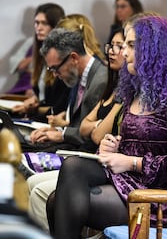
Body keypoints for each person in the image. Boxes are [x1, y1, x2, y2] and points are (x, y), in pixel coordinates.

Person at [46, 14, 167, 238]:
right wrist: (114, 147)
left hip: (166, 198)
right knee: (73, 167)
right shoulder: (141, 90)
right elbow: (143, 141)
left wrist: (132, 162)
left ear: (155, 52)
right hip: (136, 181)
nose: (123, 52)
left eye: (132, 45)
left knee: (58, 202)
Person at [25, 27, 107, 231]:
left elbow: (90, 135)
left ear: (73, 58)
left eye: (55, 69)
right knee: (31, 178)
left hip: (87, 157)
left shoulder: (101, 79)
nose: (54, 75)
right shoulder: (82, 76)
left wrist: (61, 133)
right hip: (78, 152)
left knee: (36, 187)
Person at [11, 3, 69, 122]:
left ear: (56, 26)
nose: (39, 27)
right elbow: (43, 97)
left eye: (45, 23)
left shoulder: (64, 58)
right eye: (37, 23)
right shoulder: (40, 53)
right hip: (39, 118)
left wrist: (35, 109)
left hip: (51, 122)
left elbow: (59, 107)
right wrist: (34, 101)